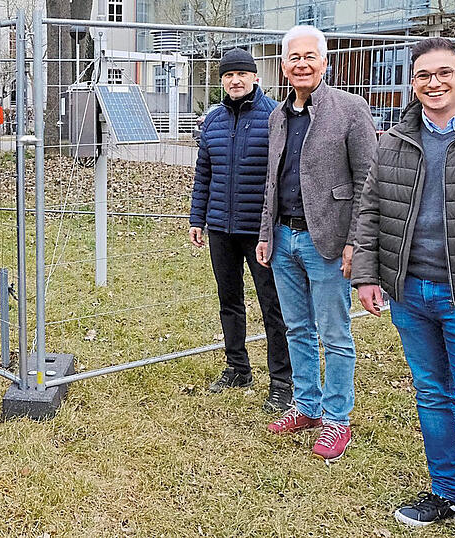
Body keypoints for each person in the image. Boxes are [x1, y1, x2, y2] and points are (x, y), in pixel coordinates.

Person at [352, 37, 455, 527]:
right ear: (413, 83)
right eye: (423, 75)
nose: (433, 83)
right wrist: (366, 275)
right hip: (411, 292)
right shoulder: (395, 142)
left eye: (444, 73)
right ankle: (447, 494)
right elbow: (370, 210)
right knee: (432, 394)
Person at [255, 25, 376, 462]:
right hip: (283, 238)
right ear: (284, 66)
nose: (302, 64)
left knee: (334, 334)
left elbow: (368, 182)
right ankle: (306, 406)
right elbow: (272, 181)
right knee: (297, 329)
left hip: (328, 241)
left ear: (324, 62)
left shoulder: (350, 110)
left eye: (310, 56)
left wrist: (355, 242)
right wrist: (266, 233)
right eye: (294, 57)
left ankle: (337, 418)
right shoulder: (277, 116)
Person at [189, 48, 292, 412]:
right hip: (220, 227)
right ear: (222, 80)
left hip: (260, 230)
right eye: (228, 75)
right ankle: (237, 368)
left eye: (241, 74)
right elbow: (204, 173)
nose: (235, 81)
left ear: (254, 77)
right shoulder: (213, 121)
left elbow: (282, 175)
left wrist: (272, 225)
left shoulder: (275, 116)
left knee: (272, 305)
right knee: (229, 300)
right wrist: (197, 219)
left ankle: (282, 381)